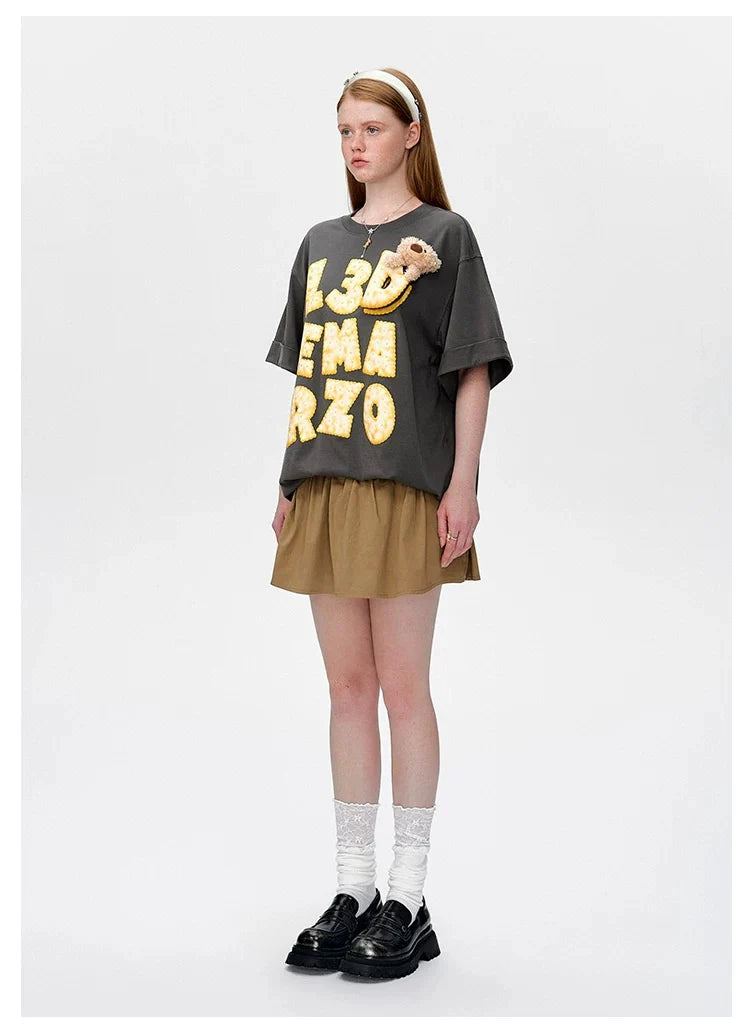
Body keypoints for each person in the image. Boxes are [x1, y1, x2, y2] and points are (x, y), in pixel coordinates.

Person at [265, 68, 514, 980]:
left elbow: (472, 369)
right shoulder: (321, 243)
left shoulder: (446, 236)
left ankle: (408, 896)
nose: (356, 145)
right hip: (326, 484)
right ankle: (353, 887)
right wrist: (289, 478)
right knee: (346, 688)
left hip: (407, 485)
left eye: (372, 127)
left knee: (404, 687)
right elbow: (314, 371)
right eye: (344, 131)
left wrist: (464, 483)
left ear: (412, 133)